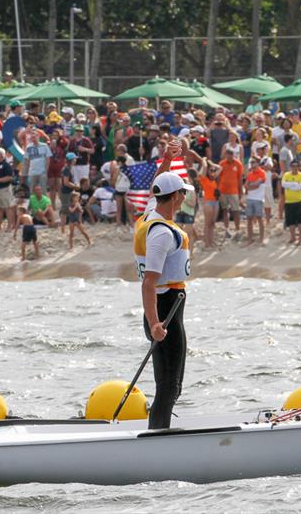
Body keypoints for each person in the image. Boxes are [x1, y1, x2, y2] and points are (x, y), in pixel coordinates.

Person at [135, 171, 193, 429]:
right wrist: (155, 323)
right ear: (176, 198)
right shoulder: (162, 234)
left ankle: (160, 431)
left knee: (169, 385)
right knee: (170, 387)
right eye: (183, 192)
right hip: (165, 312)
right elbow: (149, 283)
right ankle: (158, 437)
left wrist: (168, 162)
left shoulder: (150, 214)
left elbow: (157, 186)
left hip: (165, 310)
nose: (185, 197)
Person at [217, 147, 243, 239]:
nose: (228, 156)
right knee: (225, 210)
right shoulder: (222, 164)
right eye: (227, 154)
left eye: (230, 154)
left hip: (234, 191)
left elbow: (240, 179)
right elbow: (218, 178)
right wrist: (217, 190)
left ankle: (237, 229)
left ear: (233, 155)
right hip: (223, 191)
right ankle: (227, 229)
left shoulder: (238, 164)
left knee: (236, 211)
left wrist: (241, 191)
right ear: (225, 155)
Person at [281, 159, 301, 245]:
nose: (294, 168)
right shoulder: (286, 174)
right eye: (293, 166)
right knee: (290, 221)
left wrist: (290, 185)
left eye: (296, 166)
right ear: (290, 167)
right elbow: (283, 184)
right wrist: (295, 184)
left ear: (299, 167)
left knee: (300, 220)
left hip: (299, 200)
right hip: (288, 201)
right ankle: (292, 237)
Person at [198, 158, 221, 249]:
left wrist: (211, 163)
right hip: (208, 202)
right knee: (207, 224)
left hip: (215, 202)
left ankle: (211, 242)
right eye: (210, 170)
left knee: (212, 223)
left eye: (213, 170)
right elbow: (204, 167)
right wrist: (204, 161)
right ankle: (207, 243)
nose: (212, 171)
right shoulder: (203, 178)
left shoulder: (213, 178)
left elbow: (220, 168)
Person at [244, 158, 266, 246]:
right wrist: (251, 185)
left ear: (258, 163)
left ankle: (261, 239)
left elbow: (256, 184)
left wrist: (250, 185)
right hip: (250, 198)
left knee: (260, 218)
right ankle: (250, 239)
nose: (252, 164)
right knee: (249, 219)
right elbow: (246, 186)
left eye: (254, 162)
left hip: (259, 199)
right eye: (251, 162)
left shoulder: (262, 172)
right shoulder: (250, 174)